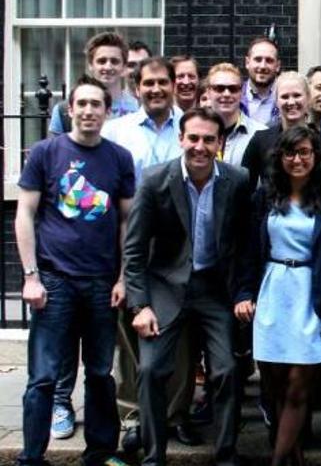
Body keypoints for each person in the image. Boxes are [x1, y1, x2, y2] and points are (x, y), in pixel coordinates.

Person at [15, 75, 135, 466]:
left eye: (95, 105)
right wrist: (30, 276)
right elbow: (25, 213)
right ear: (70, 109)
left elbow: (125, 223)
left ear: (107, 110)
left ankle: (99, 453)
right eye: (81, 104)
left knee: (100, 373)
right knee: (44, 376)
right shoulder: (46, 153)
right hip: (54, 280)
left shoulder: (119, 158)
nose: (88, 111)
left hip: (102, 283)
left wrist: (122, 278)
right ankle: (32, 457)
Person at [124, 107, 251, 466]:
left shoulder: (237, 180)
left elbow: (243, 246)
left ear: (220, 143)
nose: (200, 146)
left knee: (226, 370)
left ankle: (226, 455)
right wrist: (140, 305)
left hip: (214, 289)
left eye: (209, 139)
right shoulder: (154, 180)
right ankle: (153, 457)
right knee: (150, 371)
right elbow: (133, 248)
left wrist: (242, 292)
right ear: (181, 139)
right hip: (165, 288)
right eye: (193, 138)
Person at [234, 126, 321, 466]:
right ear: (280, 157)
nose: (297, 159)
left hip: (311, 295)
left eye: (304, 152)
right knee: (275, 386)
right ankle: (293, 457)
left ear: (316, 157)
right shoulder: (264, 197)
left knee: (300, 384)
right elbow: (248, 252)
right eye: (290, 153)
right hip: (273, 291)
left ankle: (276, 460)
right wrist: (243, 293)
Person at [101, 57, 201, 450]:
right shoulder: (117, 133)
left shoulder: (190, 127)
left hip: (183, 248)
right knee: (133, 340)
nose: (157, 89)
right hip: (135, 245)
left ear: (175, 85)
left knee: (182, 343)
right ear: (137, 87)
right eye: (149, 83)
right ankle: (134, 416)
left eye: (163, 82)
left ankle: (175, 415)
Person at [242, 71, 321, 192]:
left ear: (308, 98)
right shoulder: (260, 141)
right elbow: (246, 189)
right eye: (285, 97)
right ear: (276, 101)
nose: (291, 102)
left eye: (297, 95)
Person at [48, 31, 139, 139]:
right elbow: (55, 152)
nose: (108, 67)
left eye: (114, 61)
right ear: (91, 65)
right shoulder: (63, 111)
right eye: (102, 61)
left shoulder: (138, 108)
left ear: (124, 67)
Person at [205, 63, 267, 166]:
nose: (226, 94)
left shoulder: (261, 134)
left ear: (242, 92)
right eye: (219, 88)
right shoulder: (195, 134)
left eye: (233, 89)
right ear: (208, 92)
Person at [242, 36, 282, 126]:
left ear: (278, 66)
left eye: (269, 60)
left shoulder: (285, 99)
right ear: (247, 63)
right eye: (258, 59)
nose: (263, 66)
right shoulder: (234, 98)